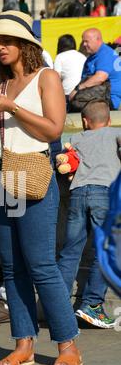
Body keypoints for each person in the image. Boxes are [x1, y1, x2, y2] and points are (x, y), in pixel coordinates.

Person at [0, 10, 82, 365]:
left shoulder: (46, 77)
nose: (1, 46)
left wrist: (12, 107)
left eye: (7, 40)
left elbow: (54, 130)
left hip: (32, 170)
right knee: (11, 266)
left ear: (25, 44)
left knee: (40, 264)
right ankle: (23, 343)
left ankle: (67, 344)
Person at [58, 100, 121, 328]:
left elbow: (66, 160)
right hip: (104, 193)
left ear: (85, 121)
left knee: (70, 252)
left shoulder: (76, 138)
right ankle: (92, 305)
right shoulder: (114, 133)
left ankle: (59, 306)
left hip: (78, 194)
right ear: (109, 120)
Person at [69, 28, 121, 110]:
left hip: (109, 101)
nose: (84, 44)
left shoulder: (106, 54)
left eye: (86, 41)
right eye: (83, 41)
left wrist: (77, 89)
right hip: (98, 97)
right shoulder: (92, 57)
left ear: (98, 40)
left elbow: (100, 78)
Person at [54, 34, 86, 106]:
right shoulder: (82, 56)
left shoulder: (60, 57)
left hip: (67, 93)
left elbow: (56, 78)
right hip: (83, 93)